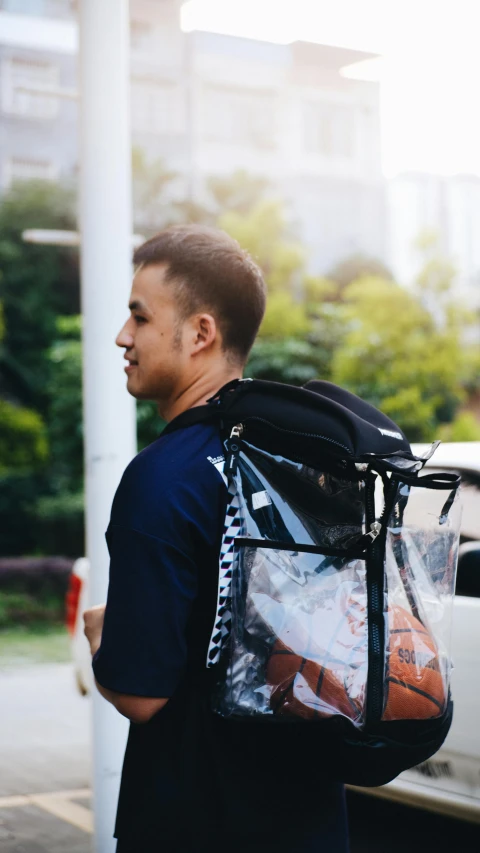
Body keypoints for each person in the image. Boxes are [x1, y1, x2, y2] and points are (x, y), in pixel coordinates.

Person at [83, 224, 349, 853]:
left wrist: (104, 635)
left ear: (201, 333)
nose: (123, 337)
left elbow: (141, 695)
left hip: (199, 823)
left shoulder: (162, 477)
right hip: (310, 817)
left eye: (140, 318)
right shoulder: (301, 460)